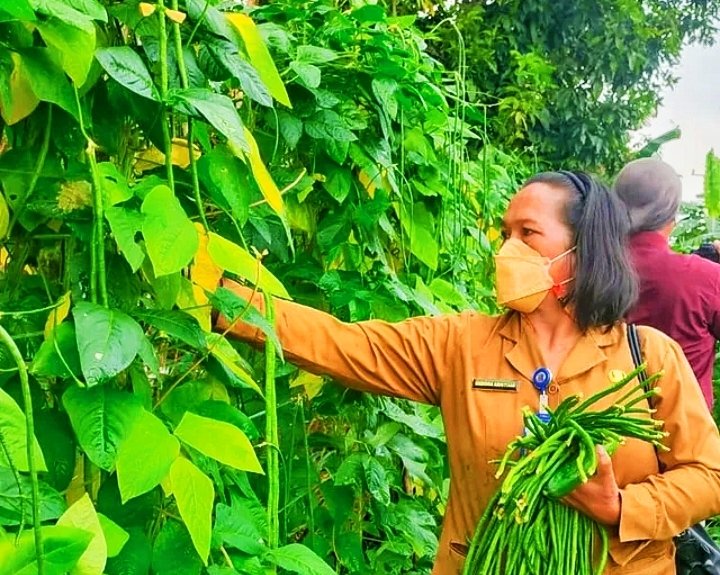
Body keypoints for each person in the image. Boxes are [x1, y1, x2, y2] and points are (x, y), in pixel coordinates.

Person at [216, 171, 720, 574]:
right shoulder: (462, 344)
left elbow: (709, 475)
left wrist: (619, 507)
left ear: (582, 249)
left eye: (528, 233)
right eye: (504, 234)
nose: (507, 250)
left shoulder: (648, 358)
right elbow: (344, 344)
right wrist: (226, 301)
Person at [614, 158, 720, 410]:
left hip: (604, 428)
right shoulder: (703, 277)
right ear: (671, 214)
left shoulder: (585, 268)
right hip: (686, 432)